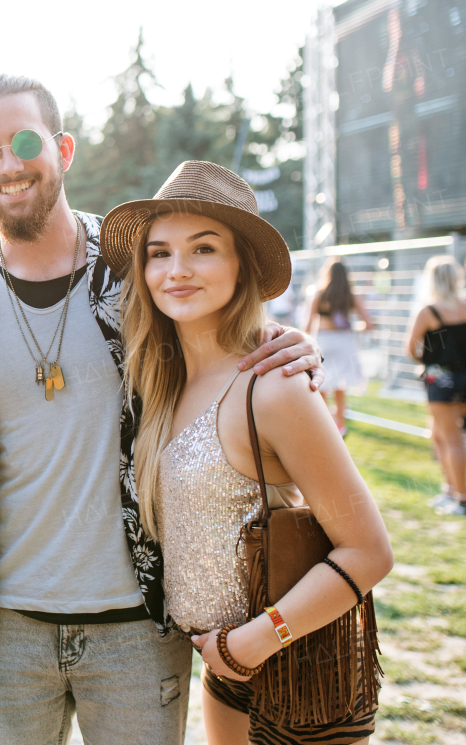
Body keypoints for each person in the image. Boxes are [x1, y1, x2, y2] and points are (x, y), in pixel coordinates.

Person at [0, 74, 319, 745]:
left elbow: (218, 324)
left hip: (136, 629)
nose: (8, 165)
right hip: (8, 631)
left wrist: (283, 339)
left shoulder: (134, 271)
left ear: (64, 148)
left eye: (24, 141)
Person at [104, 160, 393, 743]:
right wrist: (230, 660)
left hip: (301, 668)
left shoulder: (274, 385)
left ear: (243, 266)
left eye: (203, 249)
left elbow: (369, 551)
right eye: (159, 253)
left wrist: (249, 644)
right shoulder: (159, 384)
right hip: (225, 672)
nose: (176, 270)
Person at [406, 255, 466, 516]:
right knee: (441, 436)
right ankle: (451, 489)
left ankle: (461, 499)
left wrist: (428, 363)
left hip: (442, 382)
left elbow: (411, 348)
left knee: (451, 440)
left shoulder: (428, 311)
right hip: (463, 377)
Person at [309, 259, 373, 435]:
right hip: (344, 342)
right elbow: (368, 323)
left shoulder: (319, 294)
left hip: (323, 341)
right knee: (340, 386)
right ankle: (341, 427)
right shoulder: (350, 296)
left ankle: (324, 425)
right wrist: (351, 328)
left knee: (321, 383)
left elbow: (308, 325)